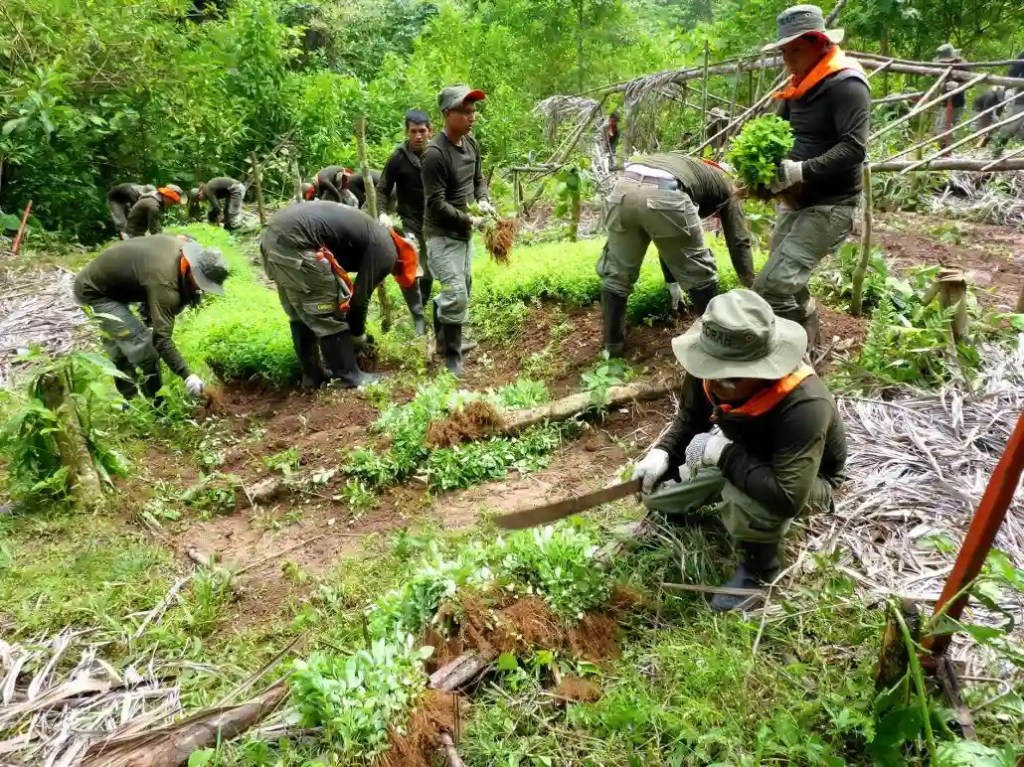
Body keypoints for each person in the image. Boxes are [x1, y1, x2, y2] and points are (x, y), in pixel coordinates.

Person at [633, 290, 847, 612]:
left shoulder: (805, 404)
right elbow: (690, 419)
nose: (715, 382)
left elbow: (788, 497)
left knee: (744, 496)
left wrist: (723, 455)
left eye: (729, 379)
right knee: (657, 493)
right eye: (710, 370)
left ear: (762, 370)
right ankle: (682, 510)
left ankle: (760, 569)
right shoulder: (709, 369)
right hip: (743, 449)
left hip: (802, 478)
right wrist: (663, 454)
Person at [755, 4, 869, 353]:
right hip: (796, 199)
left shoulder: (846, 84)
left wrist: (800, 169)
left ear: (819, 42)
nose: (788, 59)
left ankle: (790, 359)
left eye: (795, 50)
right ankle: (805, 339)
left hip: (831, 205)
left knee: (771, 287)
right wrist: (764, 171)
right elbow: (778, 131)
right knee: (785, 276)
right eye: (784, 51)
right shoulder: (799, 85)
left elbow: (853, 148)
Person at [597, 154, 756, 357]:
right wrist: (750, 281)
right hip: (667, 191)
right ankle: (718, 347)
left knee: (616, 275)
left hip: (624, 187)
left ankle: (612, 349)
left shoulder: (688, 166)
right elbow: (739, 239)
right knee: (702, 275)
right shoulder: (728, 184)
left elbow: (668, 239)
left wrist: (673, 285)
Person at [259, 201, 419, 389]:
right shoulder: (388, 251)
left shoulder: (372, 232)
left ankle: (313, 375)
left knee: (300, 312)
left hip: (272, 236)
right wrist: (357, 339)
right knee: (326, 308)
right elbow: (359, 299)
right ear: (403, 258)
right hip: (296, 240)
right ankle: (348, 375)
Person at [73, 235, 229, 402]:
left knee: (123, 342)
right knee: (145, 349)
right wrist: (187, 375)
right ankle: (155, 405)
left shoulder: (185, 247)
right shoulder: (164, 282)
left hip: (112, 282)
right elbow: (161, 340)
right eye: (200, 283)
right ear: (190, 266)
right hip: (94, 291)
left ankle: (129, 399)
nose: (200, 288)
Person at [421, 84, 495, 377]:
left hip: (464, 233)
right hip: (441, 235)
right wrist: (468, 220)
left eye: (473, 110)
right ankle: (452, 356)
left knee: (463, 287)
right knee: (457, 292)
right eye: (465, 111)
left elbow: (478, 180)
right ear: (447, 114)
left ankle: (443, 340)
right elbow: (435, 203)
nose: (471, 116)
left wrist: (484, 202)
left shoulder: (471, 144)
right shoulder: (435, 154)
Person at [375, 109, 434, 335]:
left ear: (430, 131)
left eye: (422, 131)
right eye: (413, 131)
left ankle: (424, 303)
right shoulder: (398, 157)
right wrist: (382, 213)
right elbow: (382, 189)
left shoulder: (438, 153)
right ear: (407, 132)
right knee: (410, 268)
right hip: (410, 221)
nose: (418, 136)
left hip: (435, 221)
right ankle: (418, 316)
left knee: (428, 270)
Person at [933, 43, 967, 148]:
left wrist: (958, 85)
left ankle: (947, 151)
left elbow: (971, 82)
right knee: (938, 128)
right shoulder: (944, 66)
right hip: (944, 101)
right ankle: (942, 151)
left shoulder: (962, 66)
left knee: (946, 128)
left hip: (956, 103)